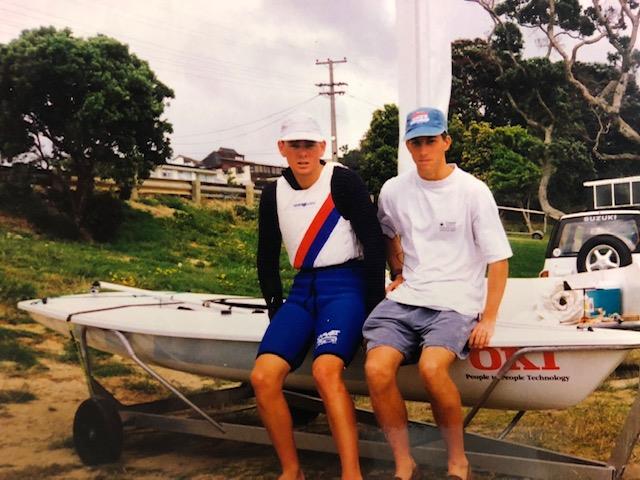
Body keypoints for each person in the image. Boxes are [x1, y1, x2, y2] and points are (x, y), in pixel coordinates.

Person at [363, 107, 512, 480]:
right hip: (407, 298)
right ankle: (403, 461)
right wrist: (397, 271)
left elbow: (499, 260)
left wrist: (489, 317)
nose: (423, 149)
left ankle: (457, 461)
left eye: (431, 140)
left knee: (432, 368)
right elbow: (387, 230)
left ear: (446, 141)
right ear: (408, 146)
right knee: (376, 370)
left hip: (456, 302)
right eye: (416, 142)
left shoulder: (473, 191)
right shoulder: (394, 190)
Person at [250, 113, 386, 480]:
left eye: (310, 144)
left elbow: (374, 243)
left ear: (323, 147)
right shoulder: (273, 192)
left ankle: (351, 473)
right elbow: (266, 254)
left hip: (347, 284)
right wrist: (274, 305)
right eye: (294, 145)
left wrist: (373, 310)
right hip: (303, 289)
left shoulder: (342, 180)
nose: (303, 152)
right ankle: (291, 470)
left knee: (326, 371)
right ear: (282, 148)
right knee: (263, 378)